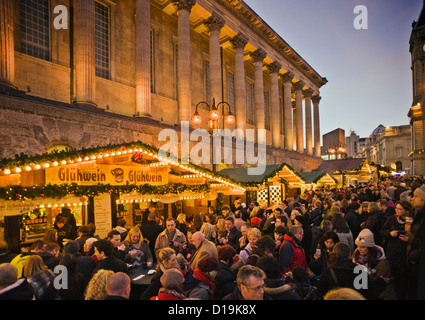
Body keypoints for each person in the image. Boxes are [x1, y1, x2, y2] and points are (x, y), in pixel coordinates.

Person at [381, 200, 413, 300]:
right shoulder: (392, 219)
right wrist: (390, 233)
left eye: (400, 209)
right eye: (396, 208)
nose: (397, 210)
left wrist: (409, 238)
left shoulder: (412, 220)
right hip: (392, 252)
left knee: (402, 279)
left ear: (407, 211)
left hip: (405, 254)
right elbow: (382, 231)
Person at [352, 228, 391, 299]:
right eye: (358, 246)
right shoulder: (355, 256)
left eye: (362, 247)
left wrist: (366, 273)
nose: (359, 249)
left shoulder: (382, 262)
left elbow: (380, 282)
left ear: (369, 247)